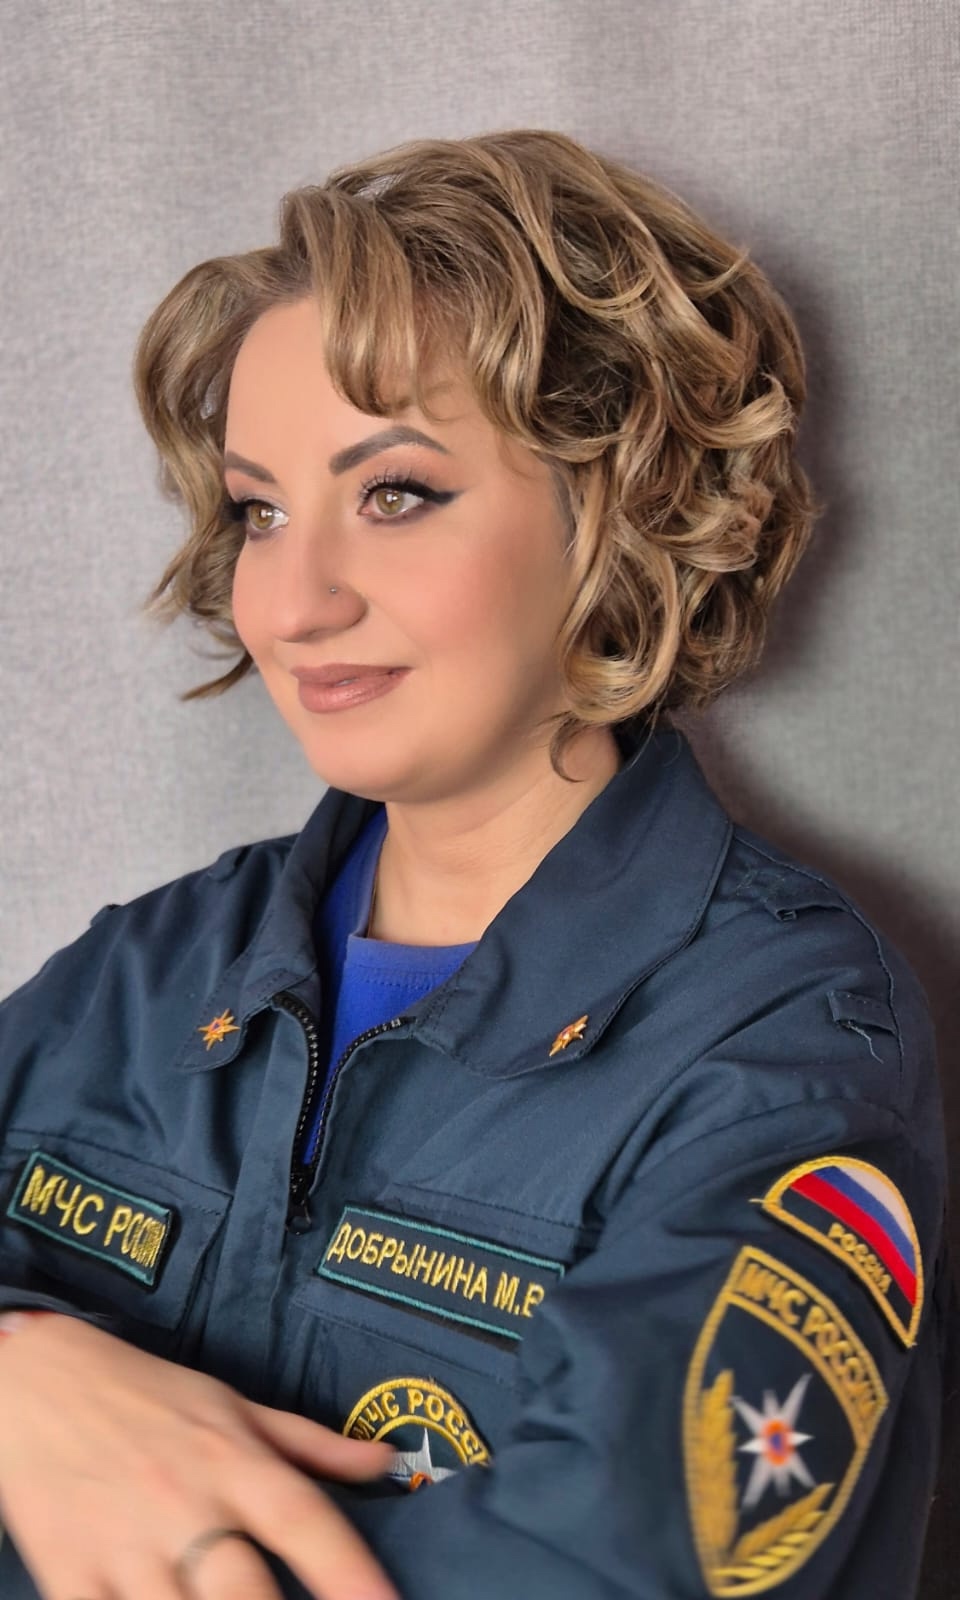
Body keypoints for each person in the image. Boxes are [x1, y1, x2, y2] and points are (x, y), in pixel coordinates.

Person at [0, 127, 947, 1600]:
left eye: (394, 492)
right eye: (260, 510)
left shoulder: (783, 1040)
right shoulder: (143, 971)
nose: (292, 603)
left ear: (620, 509)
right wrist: (25, 1372)